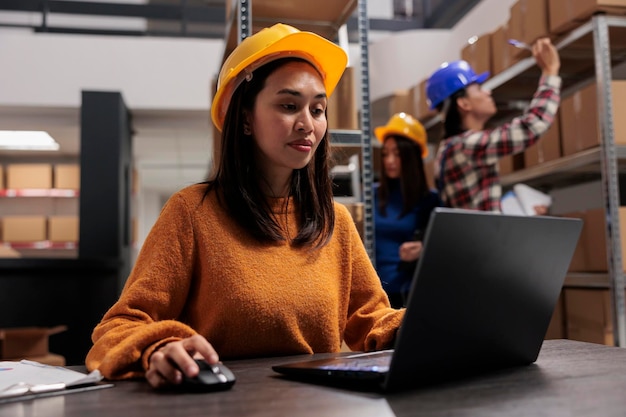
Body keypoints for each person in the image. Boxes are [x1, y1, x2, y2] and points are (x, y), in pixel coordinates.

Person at [85, 23, 404, 389]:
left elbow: (372, 319)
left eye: (318, 109)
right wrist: (157, 347)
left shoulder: (335, 221)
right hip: (222, 403)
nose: (308, 124)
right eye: (289, 105)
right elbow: (117, 327)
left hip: (320, 404)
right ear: (246, 119)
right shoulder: (192, 212)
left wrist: (420, 322)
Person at [426, 37, 561, 212]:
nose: (488, 92)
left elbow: (479, 206)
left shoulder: (452, 148)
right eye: (479, 89)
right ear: (463, 103)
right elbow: (532, 126)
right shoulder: (465, 146)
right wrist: (550, 72)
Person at [373, 112, 440, 308]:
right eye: (385, 154)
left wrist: (423, 249)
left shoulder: (430, 200)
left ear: (411, 157)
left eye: (397, 154)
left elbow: (447, 250)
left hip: (411, 294)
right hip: (375, 295)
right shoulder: (371, 196)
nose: (389, 161)